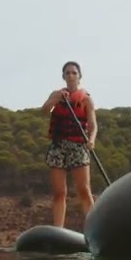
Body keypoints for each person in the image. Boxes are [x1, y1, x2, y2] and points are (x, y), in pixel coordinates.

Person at [41, 60, 97, 228]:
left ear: (79, 76)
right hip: (58, 146)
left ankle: (94, 227)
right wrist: (53, 101)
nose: (71, 75)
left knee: (83, 190)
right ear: (63, 77)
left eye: (74, 73)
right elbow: (44, 112)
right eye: (68, 73)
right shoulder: (56, 95)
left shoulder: (86, 99)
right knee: (60, 193)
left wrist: (92, 139)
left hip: (78, 146)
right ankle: (58, 229)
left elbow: (93, 125)